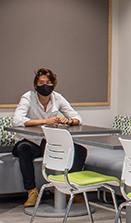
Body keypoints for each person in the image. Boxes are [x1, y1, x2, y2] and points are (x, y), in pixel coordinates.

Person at [12, 67, 85, 208]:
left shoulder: (58, 98)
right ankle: (32, 191)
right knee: (24, 149)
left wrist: (68, 121)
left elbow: (77, 117)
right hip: (28, 141)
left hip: (48, 143)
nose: (45, 85)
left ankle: (68, 189)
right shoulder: (28, 97)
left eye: (48, 82)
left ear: (53, 84)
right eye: (41, 83)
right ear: (35, 85)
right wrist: (45, 121)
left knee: (79, 151)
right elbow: (17, 120)